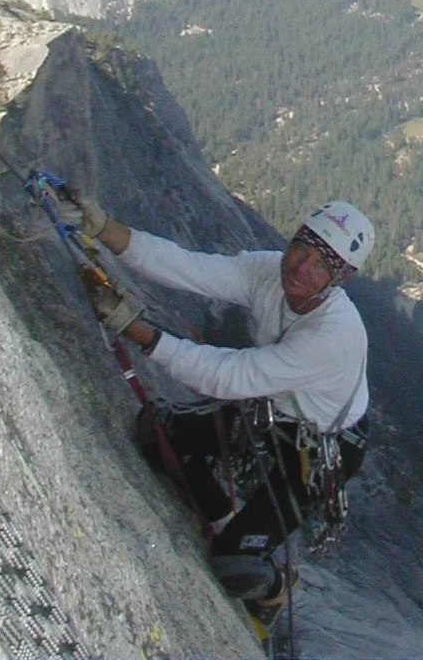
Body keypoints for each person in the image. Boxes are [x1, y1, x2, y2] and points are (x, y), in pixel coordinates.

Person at [75, 196, 373, 615]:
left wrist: (137, 331)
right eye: (302, 247)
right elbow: (188, 268)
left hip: (321, 448)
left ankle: (277, 584)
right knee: (156, 433)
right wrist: (102, 227)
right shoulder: (269, 272)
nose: (302, 267)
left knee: (235, 567)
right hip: (274, 408)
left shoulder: (335, 334)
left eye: (323, 264)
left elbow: (229, 376)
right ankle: (226, 519)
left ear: (340, 278)